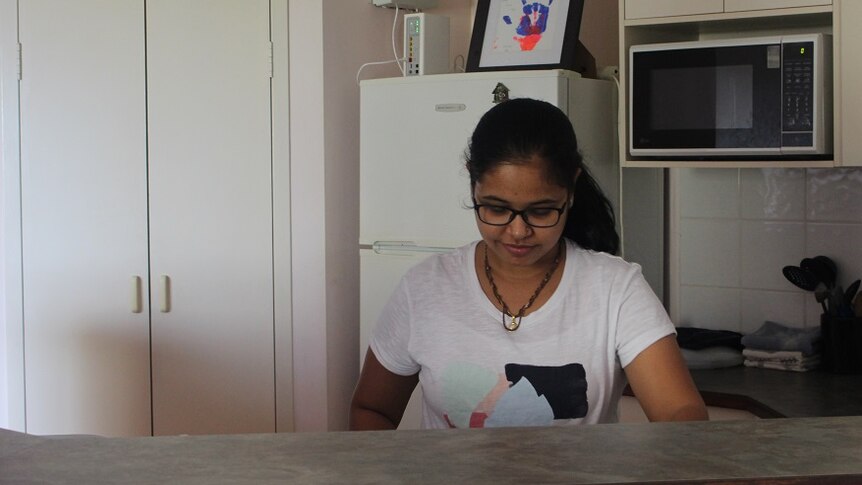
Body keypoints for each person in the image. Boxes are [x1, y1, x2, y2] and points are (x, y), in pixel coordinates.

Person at [349, 98, 707, 430]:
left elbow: (680, 412)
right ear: (472, 180)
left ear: (571, 187)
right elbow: (372, 409)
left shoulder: (616, 289)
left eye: (541, 211)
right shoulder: (424, 289)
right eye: (496, 208)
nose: (518, 231)